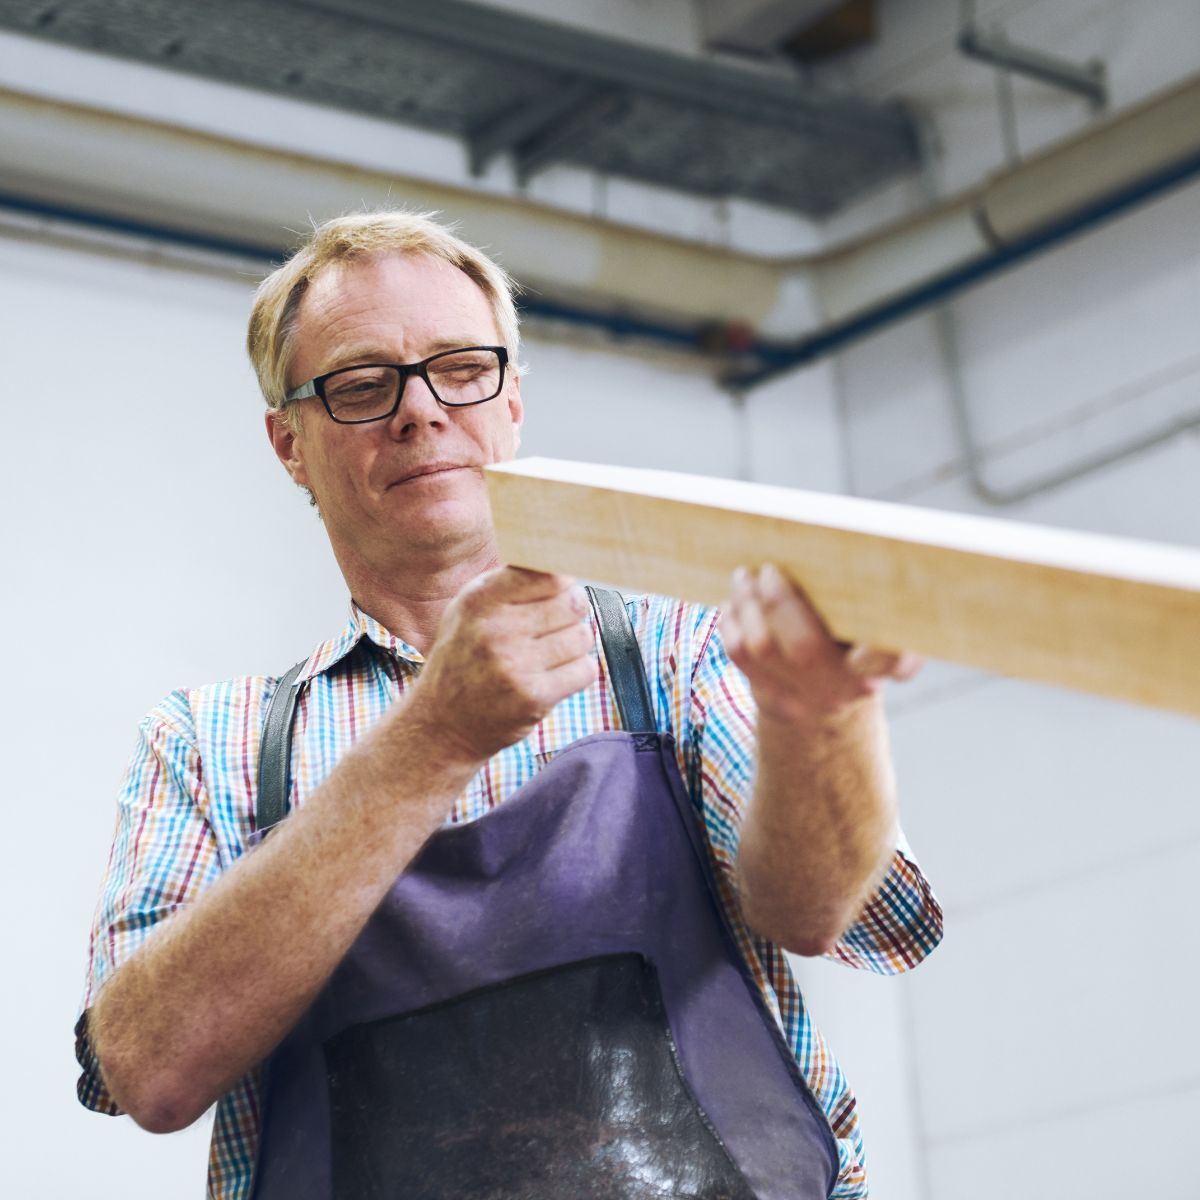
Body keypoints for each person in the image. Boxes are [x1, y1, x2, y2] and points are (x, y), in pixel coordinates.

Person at [76, 211, 942, 1200]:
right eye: (362, 385)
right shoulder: (213, 744)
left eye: (459, 368)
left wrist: (820, 718)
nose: (421, 411)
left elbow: (818, 912)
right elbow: (148, 1069)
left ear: (513, 400)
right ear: (289, 444)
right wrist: (432, 738)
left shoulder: (675, 653)